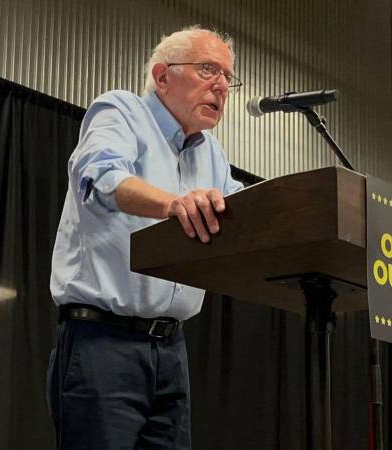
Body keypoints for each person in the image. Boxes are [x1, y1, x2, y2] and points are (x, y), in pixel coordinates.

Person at [47, 25, 244, 449]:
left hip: (172, 349)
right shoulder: (120, 112)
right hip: (103, 343)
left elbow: (245, 213)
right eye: (209, 69)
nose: (222, 86)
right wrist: (173, 205)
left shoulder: (212, 153)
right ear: (162, 76)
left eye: (228, 77)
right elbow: (100, 177)